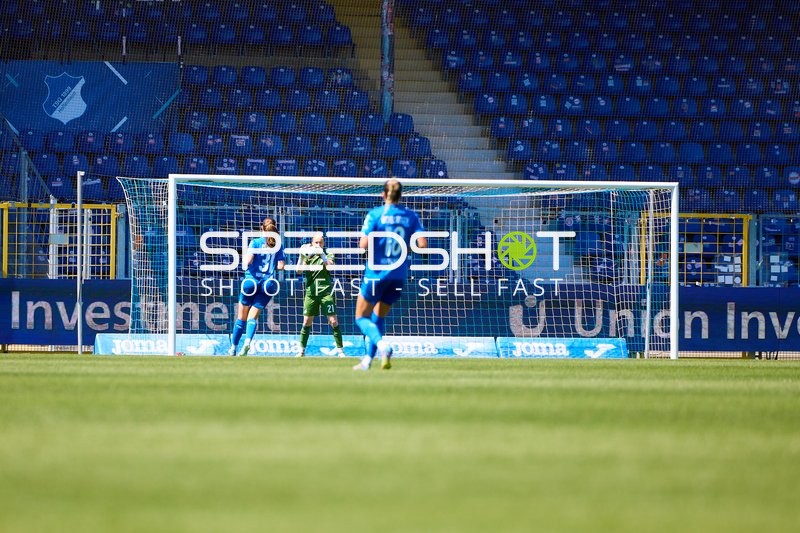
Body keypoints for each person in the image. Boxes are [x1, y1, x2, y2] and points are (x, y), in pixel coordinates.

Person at [353, 178, 426, 371]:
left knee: (360, 317)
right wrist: (404, 247)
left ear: (383, 195)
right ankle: (367, 361)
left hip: (376, 274)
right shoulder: (411, 216)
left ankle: (384, 346)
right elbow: (423, 245)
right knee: (378, 318)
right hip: (398, 275)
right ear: (401, 196)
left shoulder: (375, 214)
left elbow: (363, 245)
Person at [228, 217, 285, 356]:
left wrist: (245, 261)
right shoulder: (278, 245)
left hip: (251, 281)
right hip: (267, 284)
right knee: (252, 318)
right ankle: (247, 343)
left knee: (241, 317)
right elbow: (281, 266)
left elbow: (248, 261)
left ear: (262, 228)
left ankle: (233, 348)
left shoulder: (255, 242)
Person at [296, 232, 345, 358]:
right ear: (312, 243)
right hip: (311, 293)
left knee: (333, 321)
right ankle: (301, 350)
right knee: (307, 321)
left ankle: (340, 351)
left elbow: (330, 267)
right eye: (316, 242)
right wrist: (301, 257)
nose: (318, 245)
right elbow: (298, 271)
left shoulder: (328, 253)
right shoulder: (308, 255)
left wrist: (322, 255)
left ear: (324, 243)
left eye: (320, 242)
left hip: (325, 292)